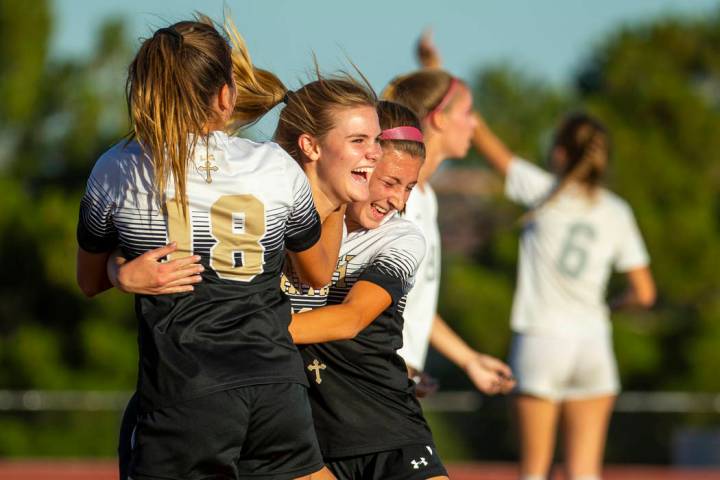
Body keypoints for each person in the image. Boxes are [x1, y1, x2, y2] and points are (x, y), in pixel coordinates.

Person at [76, 16, 346, 480]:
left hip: (188, 389)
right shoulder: (275, 165)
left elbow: (89, 280)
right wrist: (337, 199)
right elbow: (318, 274)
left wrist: (123, 273)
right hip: (275, 385)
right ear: (226, 95)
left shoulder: (118, 168)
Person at [473, 110, 656, 480]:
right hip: (593, 342)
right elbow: (645, 293)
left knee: (534, 472)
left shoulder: (542, 193)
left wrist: (443, 81)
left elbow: (483, 138)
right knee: (585, 473)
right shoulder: (616, 211)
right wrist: (611, 306)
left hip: (541, 339)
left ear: (560, 154)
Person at [287, 100, 448, 479]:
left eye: (409, 187)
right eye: (390, 182)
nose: (399, 201)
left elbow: (351, 319)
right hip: (310, 441)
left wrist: (242, 331)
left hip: (390, 430)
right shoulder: (294, 220)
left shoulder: (402, 238)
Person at [383, 65, 514, 396]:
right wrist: (396, 367)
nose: (475, 123)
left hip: (399, 377)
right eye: (468, 112)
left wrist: (469, 360)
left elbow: (417, 301)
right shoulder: (395, 198)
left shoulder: (426, 198)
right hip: (379, 377)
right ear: (439, 119)